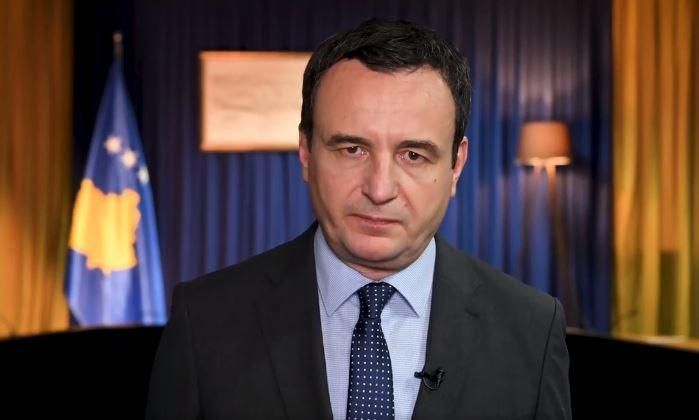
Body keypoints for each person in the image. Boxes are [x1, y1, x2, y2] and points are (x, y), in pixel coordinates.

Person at [145, 18, 571, 420]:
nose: (380, 189)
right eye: (352, 149)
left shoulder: (532, 330)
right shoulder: (204, 321)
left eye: (413, 155)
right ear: (306, 152)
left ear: (456, 166)